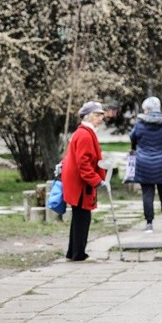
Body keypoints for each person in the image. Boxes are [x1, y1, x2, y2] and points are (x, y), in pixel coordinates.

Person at [62, 101, 108, 261]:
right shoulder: (84, 134)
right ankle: (78, 253)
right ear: (88, 117)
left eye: (101, 115)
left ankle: (73, 251)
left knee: (79, 217)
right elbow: (84, 164)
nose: (100, 118)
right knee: (82, 218)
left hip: (77, 183)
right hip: (80, 185)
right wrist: (97, 181)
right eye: (97, 115)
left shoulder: (85, 132)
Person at [129, 96, 162, 232]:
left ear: (146, 109)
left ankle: (149, 223)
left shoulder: (140, 124)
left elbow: (132, 137)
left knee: (147, 194)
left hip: (144, 163)